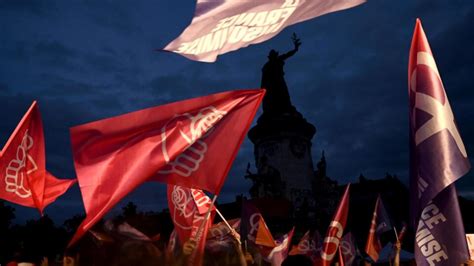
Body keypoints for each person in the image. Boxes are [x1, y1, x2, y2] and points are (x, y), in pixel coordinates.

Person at [261, 33, 301, 115]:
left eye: (274, 55)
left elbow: (288, 54)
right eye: (273, 55)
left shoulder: (277, 60)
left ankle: (285, 107)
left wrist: (295, 49)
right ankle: (274, 109)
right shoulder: (267, 65)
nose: (274, 56)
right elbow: (264, 77)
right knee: (275, 95)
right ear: (270, 57)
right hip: (270, 83)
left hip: (278, 80)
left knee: (283, 93)